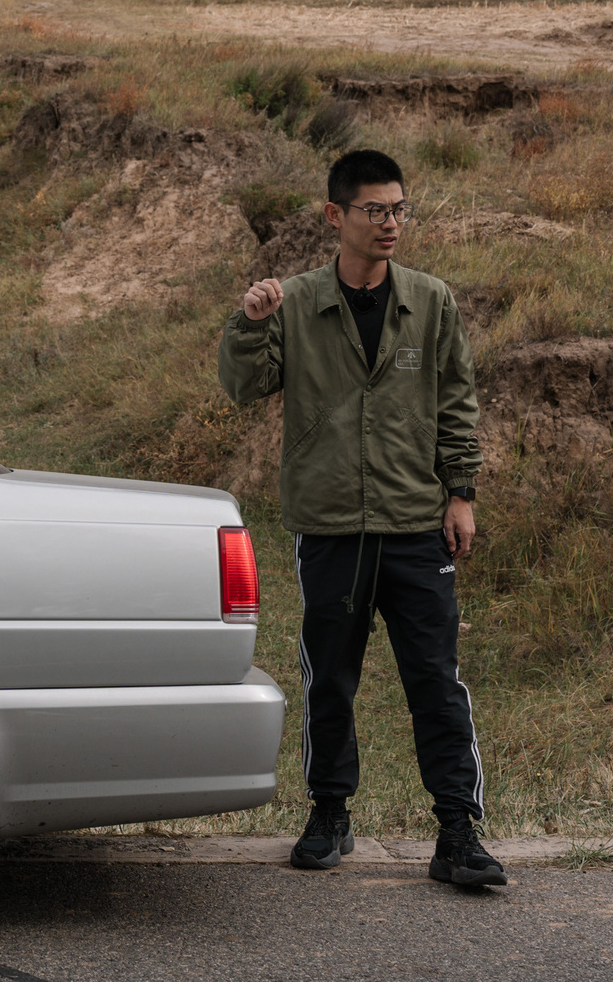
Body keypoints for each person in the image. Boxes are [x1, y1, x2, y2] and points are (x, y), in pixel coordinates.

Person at [216, 147, 503, 890]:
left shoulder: (431, 300)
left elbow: (457, 400)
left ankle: (457, 831)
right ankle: (330, 812)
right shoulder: (298, 302)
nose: (391, 223)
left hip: (415, 522)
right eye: (375, 210)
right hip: (332, 524)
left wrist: (460, 490)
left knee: (435, 680)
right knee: (331, 680)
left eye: (400, 209)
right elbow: (245, 385)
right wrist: (250, 323)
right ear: (335, 215)